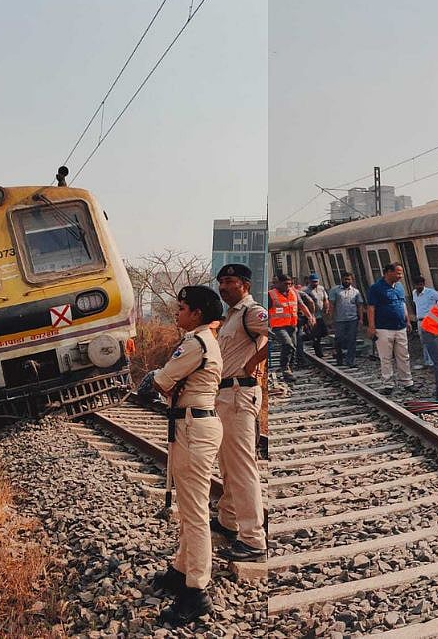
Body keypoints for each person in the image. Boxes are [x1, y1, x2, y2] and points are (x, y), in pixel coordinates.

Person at [150, 285, 225, 625]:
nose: (177, 313)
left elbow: (164, 380)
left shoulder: (195, 343)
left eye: (181, 308)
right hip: (191, 425)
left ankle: (196, 590)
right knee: (188, 506)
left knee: (194, 512)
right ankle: (181, 570)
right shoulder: (204, 340)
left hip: (195, 428)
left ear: (196, 313)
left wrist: (154, 378)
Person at [213, 264, 269, 563]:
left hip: (239, 393)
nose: (224, 286)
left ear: (245, 284)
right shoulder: (232, 316)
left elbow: (275, 334)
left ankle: (253, 540)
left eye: (230, 281)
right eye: (221, 281)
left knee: (242, 467)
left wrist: (253, 363)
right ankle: (228, 520)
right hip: (226, 394)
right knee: (228, 463)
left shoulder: (252, 312)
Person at [367, 263, 417, 395]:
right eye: (398, 273)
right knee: (386, 357)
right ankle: (388, 384)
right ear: (388, 272)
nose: (400, 276)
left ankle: (407, 382)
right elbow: (371, 308)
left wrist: (407, 320)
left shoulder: (400, 287)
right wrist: (371, 327)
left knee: (404, 355)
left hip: (400, 327)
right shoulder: (376, 288)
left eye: (401, 273)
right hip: (383, 328)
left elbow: (402, 304)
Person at [267, 274, 312, 381]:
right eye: (285, 284)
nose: (288, 286)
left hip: (292, 325)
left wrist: (310, 316)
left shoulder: (294, 292)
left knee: (294, 348)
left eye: (290, 284)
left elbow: (301, 305)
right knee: (288, 344)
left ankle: (289, 371)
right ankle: (285, 368)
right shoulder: (271, 295)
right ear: (279, 283)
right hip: (278, 326)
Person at [329, 273, 364, 367]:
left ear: (352, 280)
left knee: (352, 340)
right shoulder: (335, 291)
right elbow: (332, 305)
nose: (347, 281)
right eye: (345, 279)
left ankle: (350, 361)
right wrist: (331, 319)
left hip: (352, 319)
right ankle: (339, 359)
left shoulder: (356, 292)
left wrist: (361, 319)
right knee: (338, 339)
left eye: (349, 279)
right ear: (341, 279)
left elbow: (359, 305)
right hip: (339, 320)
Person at [412, 276, 438, 368]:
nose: (419, 286)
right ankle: (427, 361)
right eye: (417, 285)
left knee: (430, 341)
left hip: (429, 320)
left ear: (424, 284)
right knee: (423, 341)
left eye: (421, 284)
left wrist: (436, 313)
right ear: (415, 285)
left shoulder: (431, 293)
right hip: (420, 320)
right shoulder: (414, 293)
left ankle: (432, 361)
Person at [301, 273, 329, 358]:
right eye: (313, 282)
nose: (315, 283)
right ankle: (319, 353)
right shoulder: (305, 291)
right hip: (311, 316)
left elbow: (325, 299)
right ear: (309, 281)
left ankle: (305, 337)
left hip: (320, 315)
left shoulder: (321, 288)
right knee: (316, 335)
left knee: (324, 332)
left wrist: (326, 308)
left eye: (316, 282)